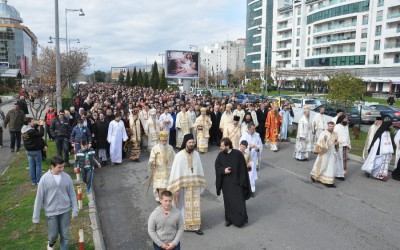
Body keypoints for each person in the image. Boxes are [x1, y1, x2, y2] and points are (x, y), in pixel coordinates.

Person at [32, 155, 78, 250]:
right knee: (53, 235)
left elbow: (73, 195)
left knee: (65, 235)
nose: (62, 169)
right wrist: (36, 217)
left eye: (63, 166)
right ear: (52, 167)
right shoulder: (44, 179)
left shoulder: (67, 178)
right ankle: (51, 244)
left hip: (65, 211)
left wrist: (75, 210)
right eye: (59, 167)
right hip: (51, 212)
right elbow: (39, 198)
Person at [167, 134, 206, 235]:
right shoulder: (179, 156)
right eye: (189, 142)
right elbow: (175, 172)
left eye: (193, 142)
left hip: (194, 186)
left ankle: (195, 226)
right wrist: (175, 188)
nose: (191, 144)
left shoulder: (196, 155)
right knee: (183, 206)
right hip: (183, 187)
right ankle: (183, 225)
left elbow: (199, 169)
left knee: (195, 206)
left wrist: (200, 183)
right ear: (185, 143)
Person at [215, 138, 251, 228]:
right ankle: (229, 219)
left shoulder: (238, 154)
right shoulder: (220, 155)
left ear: (228, 146)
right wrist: (224, 170)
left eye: (222, 146)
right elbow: (217, 167)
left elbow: (243, 169)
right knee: (228, 203)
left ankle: (240, 221)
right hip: (226, 184)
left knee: (239, 202)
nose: (220, 147)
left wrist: (242, 182)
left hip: (237, 184)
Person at [148, 131, 176, 202]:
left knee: (168, 186)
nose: (164, 142)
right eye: (163, 141)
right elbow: (151, 158)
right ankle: (160, 199)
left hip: (169, 170)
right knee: (159, 186)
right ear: (160, 140)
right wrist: (153, 162)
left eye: (166, 141)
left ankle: (168, 199)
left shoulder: (170, 148)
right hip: (159, 170)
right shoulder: (155, 148)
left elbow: (175, 157)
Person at [310, 122, 339, 188]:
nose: (331, 127)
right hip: (324, 153)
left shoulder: (335, 134)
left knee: (330, 167)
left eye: (332, 126)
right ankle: (314, 176)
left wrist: (336, 143)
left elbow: (336, 143)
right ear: (328, 126)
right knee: (322, 166)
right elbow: (319, 143)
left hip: (332, 153)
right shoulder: (323, 133)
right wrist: (324, 140)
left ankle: (329, 182)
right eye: (330, 126)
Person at [239, 123, 262, 195]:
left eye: (254, 128)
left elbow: (260, 144)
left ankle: (251, 190)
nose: (254, 130)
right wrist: (249, 147)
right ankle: (243, 188)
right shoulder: (244, 136)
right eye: (253, 129)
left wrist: (258, 148)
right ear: (248, 129)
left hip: (254, 158)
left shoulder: (257, 135)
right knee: (246, 174)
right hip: (246, 158)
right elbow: (241, 147)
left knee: (251, 174)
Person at [21, 117, 45, 185]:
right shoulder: (31, 131)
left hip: (28, 150)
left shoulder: (23, 129)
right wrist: (41, 125)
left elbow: (33, 129)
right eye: (32, 121)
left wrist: (37, 124)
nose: (33, 122)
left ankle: (33, 181)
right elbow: (41, 134)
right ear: (29, 123)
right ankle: (38, 180)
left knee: (31, 166)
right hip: (35, 150)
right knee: (38, 165)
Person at [334, 115, 351, 181]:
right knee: (338, 160)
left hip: (345, 145)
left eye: (347, 118)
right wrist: (336, 143)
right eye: (345, 118)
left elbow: (348, 135)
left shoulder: (346, 126)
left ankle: (341, 174)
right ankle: (338, 174)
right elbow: (335, 136)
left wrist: (348, 144)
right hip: (339, 146)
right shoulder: (337, 126)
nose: (346, 120)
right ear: (341, 119)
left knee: (343, 160)